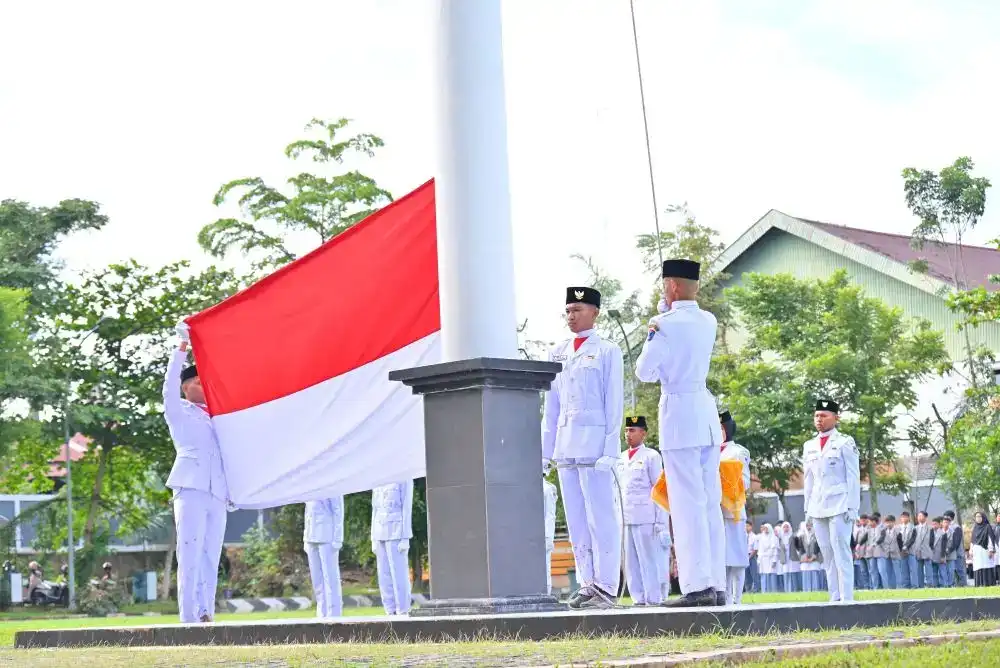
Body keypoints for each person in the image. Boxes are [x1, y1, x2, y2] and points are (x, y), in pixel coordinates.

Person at [635, 258, 724, 607]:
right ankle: (715, 582)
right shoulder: (709, 320)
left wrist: (654, 330)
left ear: (672, 286)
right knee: (709, 504)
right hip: (704, 414)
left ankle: (696, 587)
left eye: (664, 285)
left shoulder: (664, 325)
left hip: (679, 416)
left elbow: (645, 371)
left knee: (686, 506)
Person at [542, 286, 624, 609]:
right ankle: (588, 582)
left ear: (595, 312)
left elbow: (614, 404)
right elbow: (550, 408)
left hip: (595, 450)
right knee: (576, 519)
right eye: (568, 310)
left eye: (578, 309)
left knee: (600, 517)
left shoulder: (607, 351)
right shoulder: (558, 352)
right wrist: (544, 453)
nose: (571, 316)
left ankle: (607, 585)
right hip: (566, 446)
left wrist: (610, 450)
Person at [165, 323, 229, 623]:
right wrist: (181, 350)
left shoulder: (218, 416)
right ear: (185, 386)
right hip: (189, 486)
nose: (204, 387)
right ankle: (188, 617)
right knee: (189, 551)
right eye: (198, 383)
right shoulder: (178, 411)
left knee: (210, 553)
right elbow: (167, 386)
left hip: (217, 490)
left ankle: (206, 613)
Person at [802, 399, 860, 603]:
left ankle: (847, 597)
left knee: (841, 550)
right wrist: (806, 508)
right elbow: (808, 479)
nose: (819, 419)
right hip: (818, 505)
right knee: (826, 553)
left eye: (824, 415)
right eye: (817, 415)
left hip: (840, 503)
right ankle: (834, 595)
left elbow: (853, 476)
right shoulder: (809, 446)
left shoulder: (845, 442)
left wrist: (853, 506)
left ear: (836, 418)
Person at [617, 415, 665, 606]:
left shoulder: (651, 456)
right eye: (627, 430)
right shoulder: (620, 458)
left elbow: (659, 489)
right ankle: (638, 598)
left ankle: (653, 598)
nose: (628, 434)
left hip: (646, 516)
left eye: (633, 430)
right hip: (625, 516)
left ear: (643, 433)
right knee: (630, 562)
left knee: (648, 559)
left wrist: (660, 521)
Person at [718, 411, 750, 605]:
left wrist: (725, 484)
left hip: (733, 511)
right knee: (721, 558)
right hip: (715, 511)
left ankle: (737, 597)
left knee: (736, 557)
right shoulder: (709, 451)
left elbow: (744, 482)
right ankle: (724, 595)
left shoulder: (738, 451)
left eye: (722, 428)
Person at [371, 480, 414, 616]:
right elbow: (375, 509)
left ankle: (403, 610)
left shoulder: (404, 477)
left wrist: (405, 537)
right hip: (380, 531)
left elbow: (407, 508)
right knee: (383, 575)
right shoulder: (378, 479)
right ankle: (389, 610)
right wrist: (373, 537)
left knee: (399, 574)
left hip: (396, 531)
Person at [304, 496, 344, 618]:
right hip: (311, 535)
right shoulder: (309, 485)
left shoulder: (331, 483)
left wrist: (338, 538)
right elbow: (307, 512)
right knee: (317, 580)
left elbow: (338, 510)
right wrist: (305, 537)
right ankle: (322, 613)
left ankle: (334, 614)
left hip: (327, 535)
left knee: (330, 578)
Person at [970, 511, 996, 587]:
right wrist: (971, 550)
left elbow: (991, 539)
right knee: (978, 567)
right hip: (977, 552)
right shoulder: (975, 528)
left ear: (983, 517)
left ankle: (988, 584)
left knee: (986, 566)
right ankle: (979, 584)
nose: (978, 518)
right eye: (976, 517)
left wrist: (991, 550)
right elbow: (972, 540)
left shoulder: (987, 526)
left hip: (985, 550)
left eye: (979, 516)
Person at [543, 473, 558, 596]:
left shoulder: (547, 489)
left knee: (545, 567)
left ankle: (546, 593)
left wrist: (548, 537)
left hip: (543, 535)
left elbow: (550, 515)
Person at [943, 510, 966, 587]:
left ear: (950, 518)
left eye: (946, 517)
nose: (944, 519)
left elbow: (956, 542)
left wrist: (948, 550)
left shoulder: (956, 527)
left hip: (957, 554)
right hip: (949, 554)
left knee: (959, 571)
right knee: (951, 571)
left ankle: (963, 586)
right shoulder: (945, 527)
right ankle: (955, 586)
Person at [914, 511, 935, 588]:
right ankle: (920, 585)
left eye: (921, 516)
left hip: (927, 550)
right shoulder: (915, 528)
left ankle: (930, 585)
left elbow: (932, 540)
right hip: (918, 551)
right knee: (919, 570)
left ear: (925, 517)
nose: (919, 517)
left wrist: (930, 549)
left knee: (928, 569)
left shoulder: (930, 528)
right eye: (918, 516)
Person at [896, 512, 917, 589]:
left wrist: (906, 547)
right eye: (902, 517)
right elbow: (898, 539)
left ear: (908, 518)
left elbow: (912, 539)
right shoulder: (899, 527)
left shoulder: (913, 527)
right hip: (902, 552)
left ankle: (914, 586)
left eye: (905, 517)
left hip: (910, 551)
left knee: (912, 569)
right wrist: (901, 548)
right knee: (904, 569)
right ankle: (905, 586)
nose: (903, 518)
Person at [757, 524, 779, 592]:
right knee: (764, 575)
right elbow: (760, 549)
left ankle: (773, 591)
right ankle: (764, 591)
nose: (765, 530)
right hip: (763, 559)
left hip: (771, 559)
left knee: (772, 575)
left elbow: (775, 550)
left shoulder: (774, 538)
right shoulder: (761, 537)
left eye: (767, 528)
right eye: (764, 528)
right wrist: (759, 560)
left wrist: (774, 560)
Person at [781, 522, 801, 592]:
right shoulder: (781, 537)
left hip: (793, 557)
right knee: (786, 574)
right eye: (784, 527)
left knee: (793, 574)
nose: (785, 529)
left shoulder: (793, 536)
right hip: (785, 558)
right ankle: (787, 591)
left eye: (787, 527)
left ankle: (795, 590)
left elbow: (798, 547)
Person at [883, 515, 901, 589]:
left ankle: (899, 586)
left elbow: (900, 542)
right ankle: (891, 587)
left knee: (897, 571)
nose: (888, 524)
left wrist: (900, 551)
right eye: (886, 522)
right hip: (887, 553)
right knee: (888, 571)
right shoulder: (884, 531)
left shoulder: (897, 531)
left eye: (890, 522)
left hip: (895, 553)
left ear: (893, 522)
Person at [853, 515, 869, 590]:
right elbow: (856, 543)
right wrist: (856, 552)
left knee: (871, 570)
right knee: (863, 571)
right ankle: (866, 587)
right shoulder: (859, 530)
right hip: (861, 554)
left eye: (863, 520)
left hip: (869, 553)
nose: (862, 522)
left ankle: (872, 587)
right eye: (861, 520)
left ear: (867, 520)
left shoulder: (870, 528)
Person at [935, 516, 952, 586]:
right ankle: (942, 585)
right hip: (939, 554)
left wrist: (947, 550)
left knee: (949, 571)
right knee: (941, 571)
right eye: (944, 522)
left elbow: (954, 543)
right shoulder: (938, 532)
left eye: (947, 522)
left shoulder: (952, 531)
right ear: (941, 523)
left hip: (949, 554)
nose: (946, 524)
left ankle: (948, 585)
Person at [745, 522, 760, 594]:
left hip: (752, 556)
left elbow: (755, 549)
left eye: (748, 526)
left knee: (754, 574)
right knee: (746, 575)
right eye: (745, 526)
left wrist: (749, 557)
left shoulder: (754, 537)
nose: (746, 528)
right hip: (744, 557)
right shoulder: (743, 536)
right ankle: (748, 589)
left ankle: (756, 589)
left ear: (751, 527)